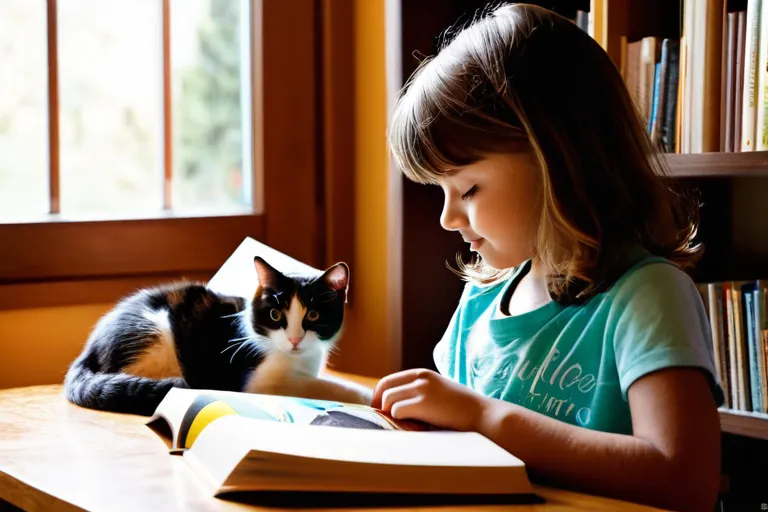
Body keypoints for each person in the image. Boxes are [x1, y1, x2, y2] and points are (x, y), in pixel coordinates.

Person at [372, 4, 724, 511]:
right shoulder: (482, 299)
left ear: (555, 158)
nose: (448, 218)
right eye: (440, 192)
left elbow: (684, 480)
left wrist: (484, 417)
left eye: (468, 189)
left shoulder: (647, 296)